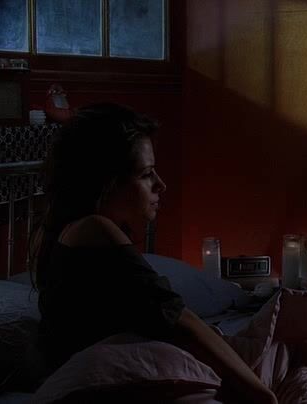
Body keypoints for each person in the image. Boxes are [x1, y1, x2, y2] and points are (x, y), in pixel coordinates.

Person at [31, 103, 277, 404]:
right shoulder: (93, 229)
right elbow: (177, 318)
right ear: (107, 181)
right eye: (147, 174)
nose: (161, 184)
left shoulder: (61, 234)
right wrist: (261, 393)